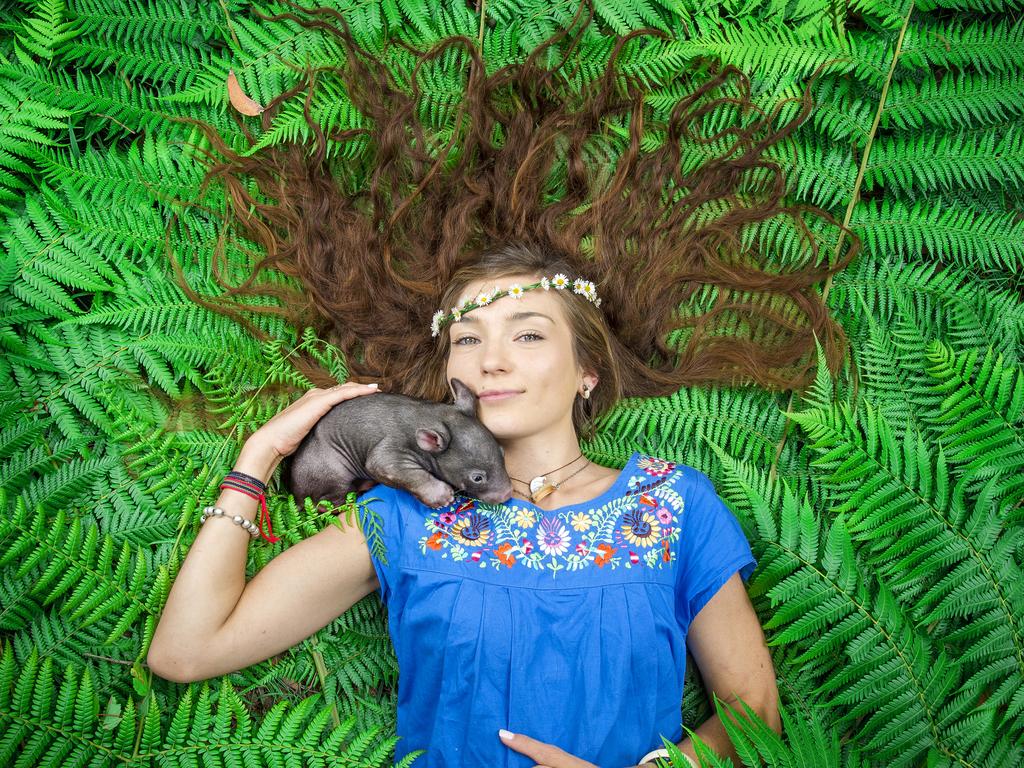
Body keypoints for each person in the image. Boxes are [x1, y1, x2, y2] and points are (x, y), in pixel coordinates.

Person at [149, 1, 858, 765]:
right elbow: (185, 652)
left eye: (527, 334)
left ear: (588, 371)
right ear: (448, 375)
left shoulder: (675, 507)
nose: (492, 360)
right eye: (468, 339)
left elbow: (755, 712)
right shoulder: (400, 517)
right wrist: (257, 459)